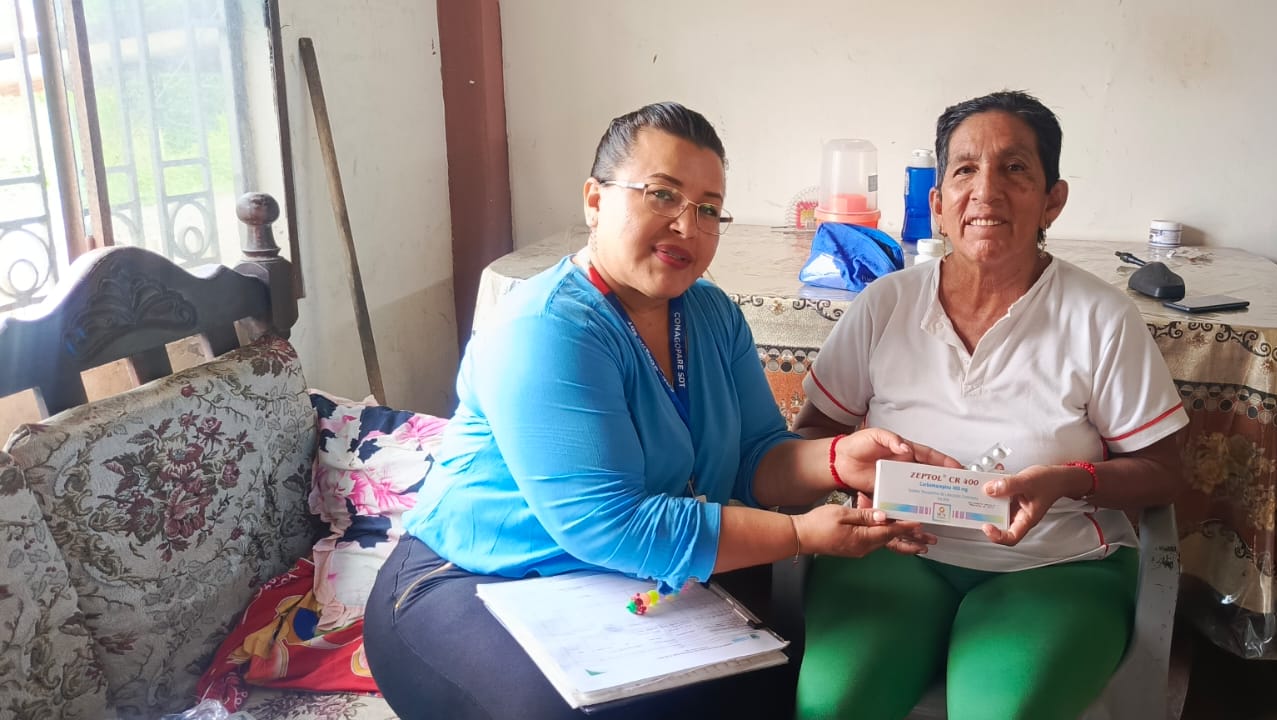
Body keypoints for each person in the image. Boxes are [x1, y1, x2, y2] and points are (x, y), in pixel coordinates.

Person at [363, 102, 952, 720]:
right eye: (662, 195)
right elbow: (609, 522)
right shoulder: (546, 328)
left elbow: (756, 456)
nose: (687, 226)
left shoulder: (712, 315)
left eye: (708, 209)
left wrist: (837, 459)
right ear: (595, 200)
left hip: (625, 581)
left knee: (770, 685)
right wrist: (802, 535)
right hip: (482, 580)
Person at [792, 90, 1189, 719]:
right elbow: (812, 438)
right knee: (831, 705)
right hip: (893, 551)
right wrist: (855, 476)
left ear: (1052, 201)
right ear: (937, 204)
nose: (986, 191)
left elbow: (1164, 471)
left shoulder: (1101, 318)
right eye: (965, 170)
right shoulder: (885, 304)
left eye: (1015, 169)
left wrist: (1068, 479)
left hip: (1055, 564)